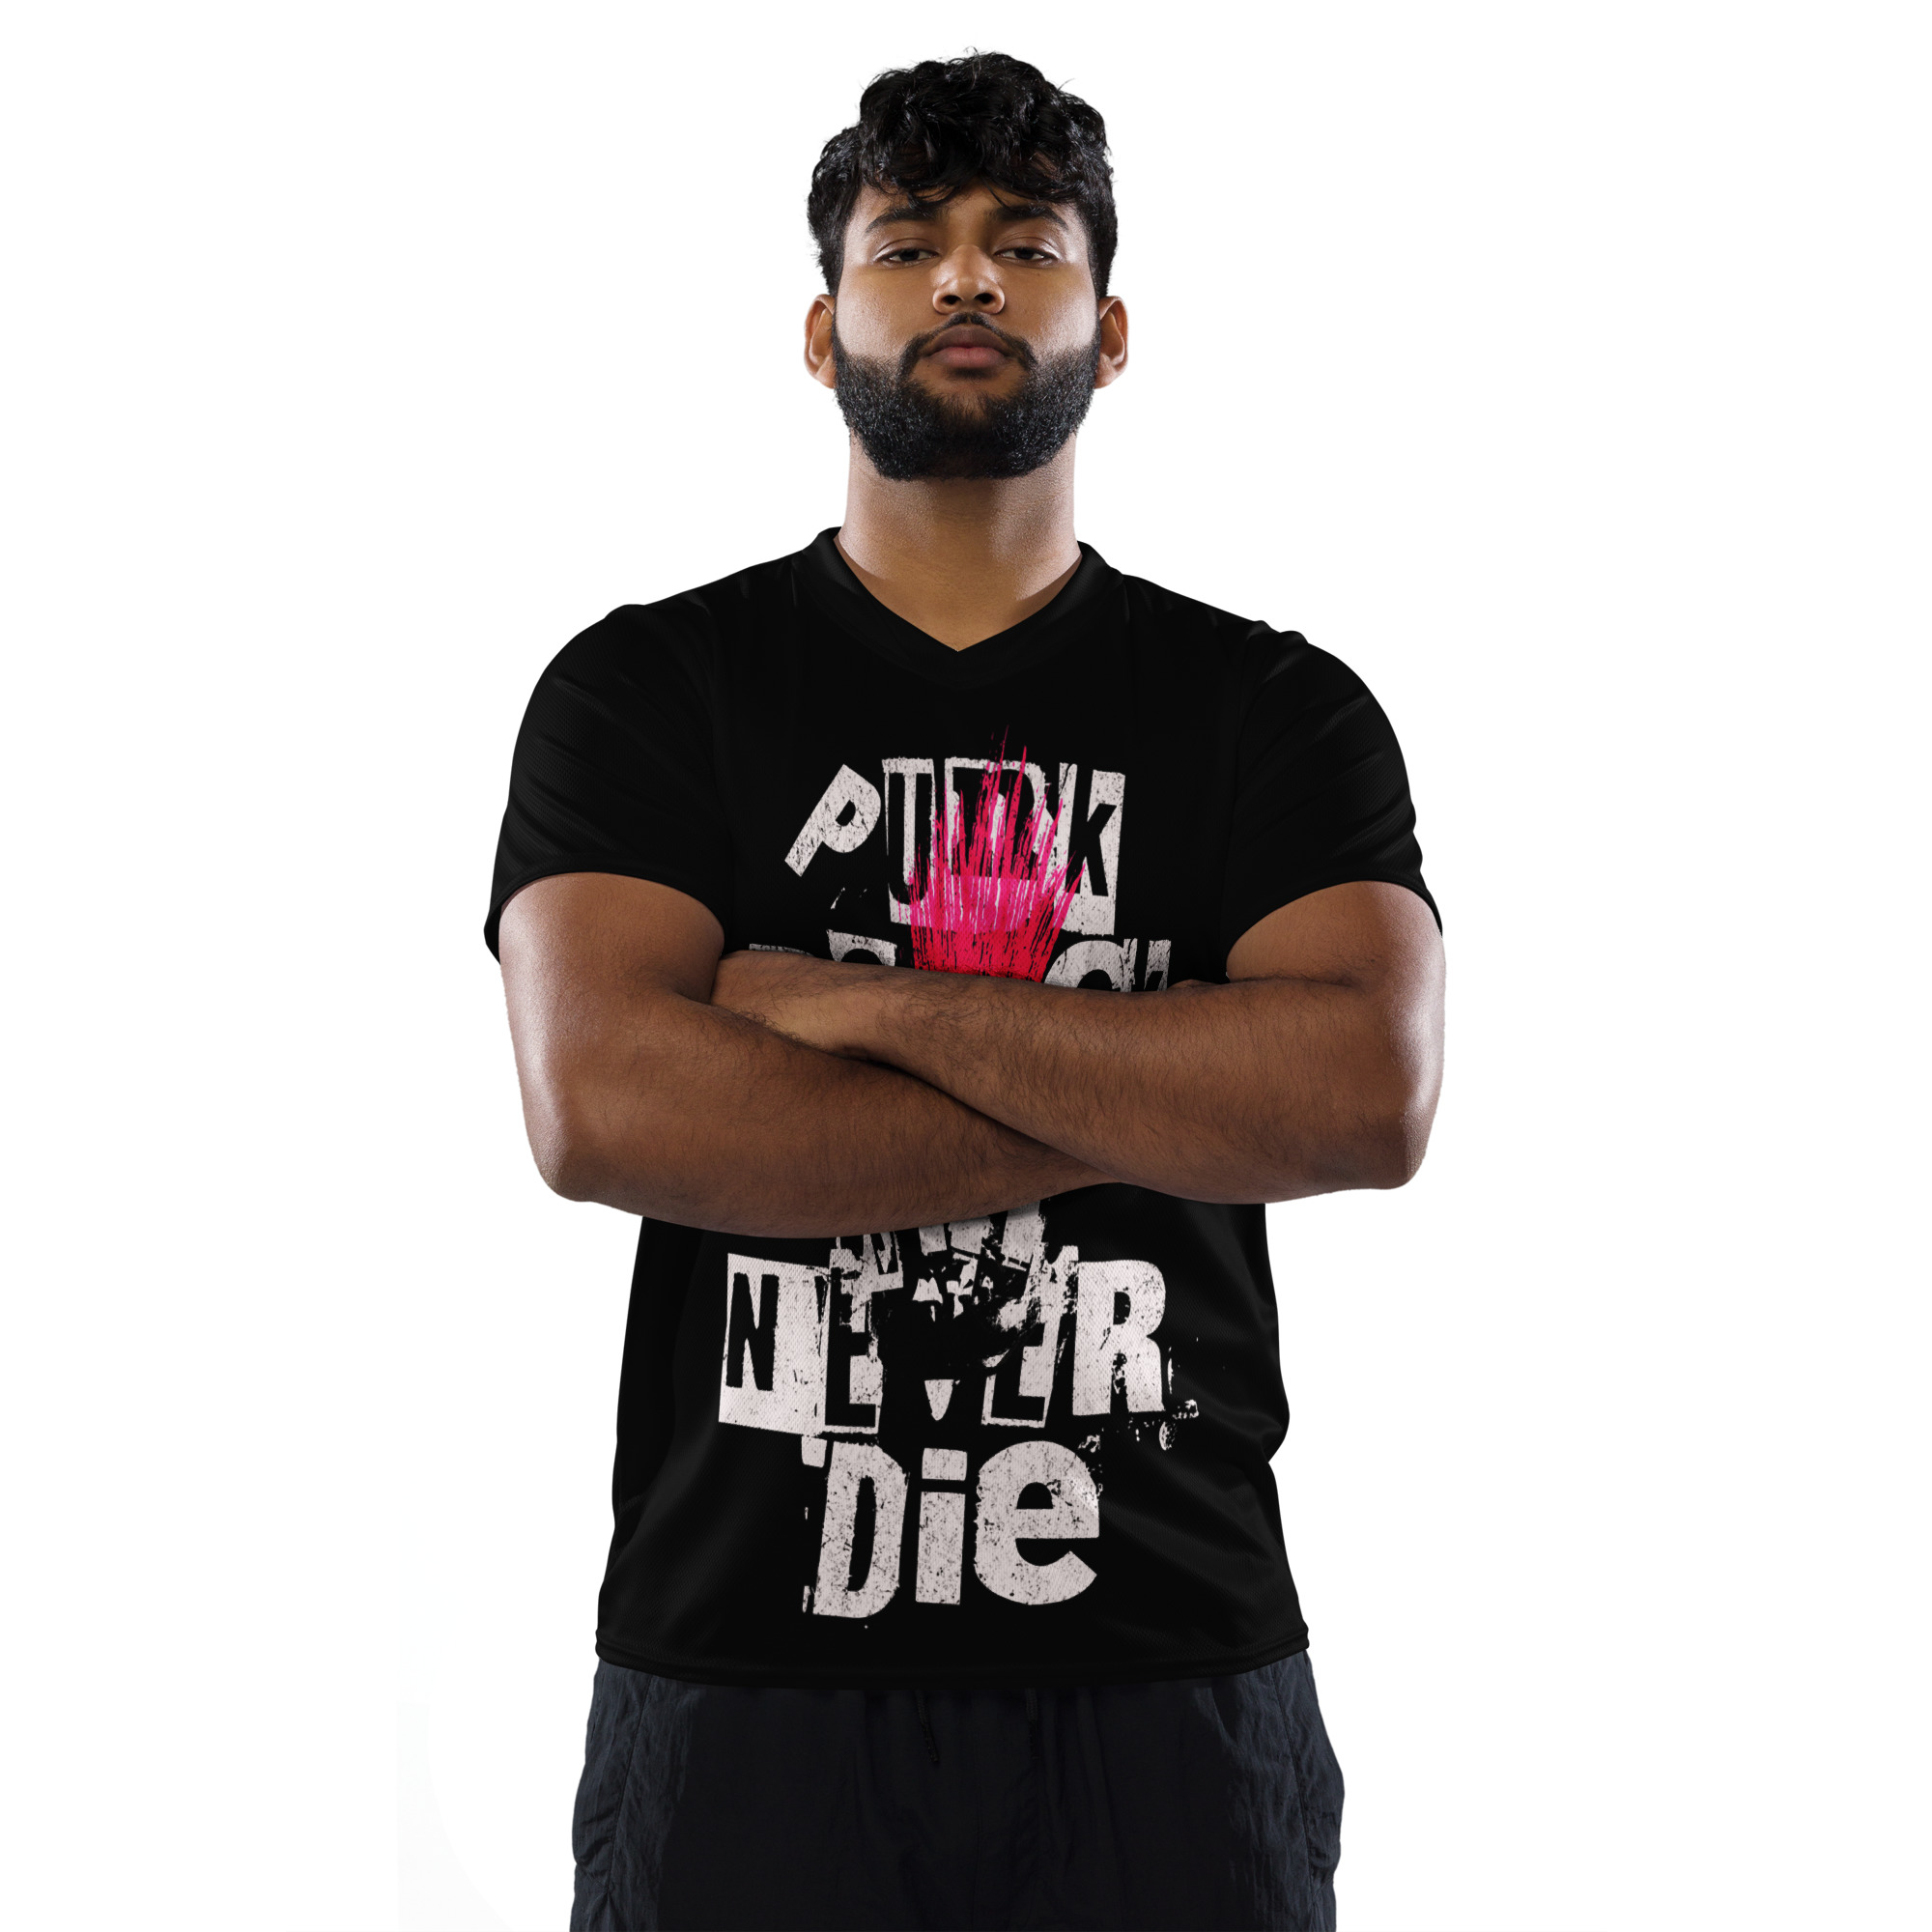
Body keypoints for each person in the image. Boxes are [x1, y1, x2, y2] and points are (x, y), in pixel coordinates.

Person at [487, 50, 1444, 1932]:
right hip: (742, 1678)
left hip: (1171, 1677)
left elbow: (1359, 1098)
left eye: (1029, 242)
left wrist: (864, 1006)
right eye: (907, 242)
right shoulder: (647, 691)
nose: (969, 278)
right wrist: (1167, 1085)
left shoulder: (1271, 711)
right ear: (820, 329)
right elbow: (605, 1111)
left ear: (1112, 329)